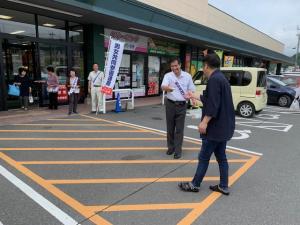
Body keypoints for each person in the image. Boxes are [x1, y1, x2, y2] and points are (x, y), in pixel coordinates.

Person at [178, 54, 235, 195]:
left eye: (202, 67)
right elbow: (210, 98)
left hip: (215, 128)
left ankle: (195, 184)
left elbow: (213, 105)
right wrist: (192, 95)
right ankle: (223, 185)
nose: (202, 69)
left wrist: (204, 122)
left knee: (203, 157)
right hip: (224, 127)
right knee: (221, 157)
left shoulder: (214, 80)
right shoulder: (221, 78)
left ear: (206, 66)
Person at [161, 58, 195, 159]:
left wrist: (191, 97)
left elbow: (191, 89)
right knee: (170, 127)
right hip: (170, 104)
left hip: (182, 105)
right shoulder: (168, 75)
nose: (174, 68)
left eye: (176, 66)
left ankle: (178, 150)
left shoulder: (187, 76)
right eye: (172, 66)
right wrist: (168, 88)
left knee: (179, 129)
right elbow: (163, 86)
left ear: (180, 65)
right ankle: (170, 147)